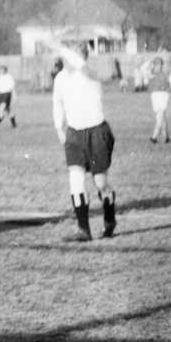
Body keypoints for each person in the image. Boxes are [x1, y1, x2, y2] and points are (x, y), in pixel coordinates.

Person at [51, 42, 116, 241]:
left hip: (97, 132)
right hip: (74, 134)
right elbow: (57, 103)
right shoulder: (61, 78)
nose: (65, 61)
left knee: (100, 183)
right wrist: (59, 128)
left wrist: (65, 50)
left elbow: (82, 67)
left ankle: (109, 219)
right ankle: (83, 229)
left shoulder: (90, 73)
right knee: (76, 181)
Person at [147, 56, 171, 144]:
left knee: (160, 116)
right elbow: (144, 69)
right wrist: (150, 63)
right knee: (160, 117)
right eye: (155, 63)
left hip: (163, 95)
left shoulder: (167, 72)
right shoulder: (151, 73)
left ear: (161, 64)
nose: (157, 65)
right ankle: (166, 137)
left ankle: (154, 137)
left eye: (158, 63)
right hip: (155, 95)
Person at [0, 65, 16, 129]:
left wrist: (14, 95)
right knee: (8, 110)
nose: (1, 71)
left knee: (1, 109)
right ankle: (14, 124)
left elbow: (12, 87)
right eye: (1, 70)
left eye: (3, 70)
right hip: (1, 95)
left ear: (5, 70)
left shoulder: (9, 77)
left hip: (7, 94)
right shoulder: (0, 77)